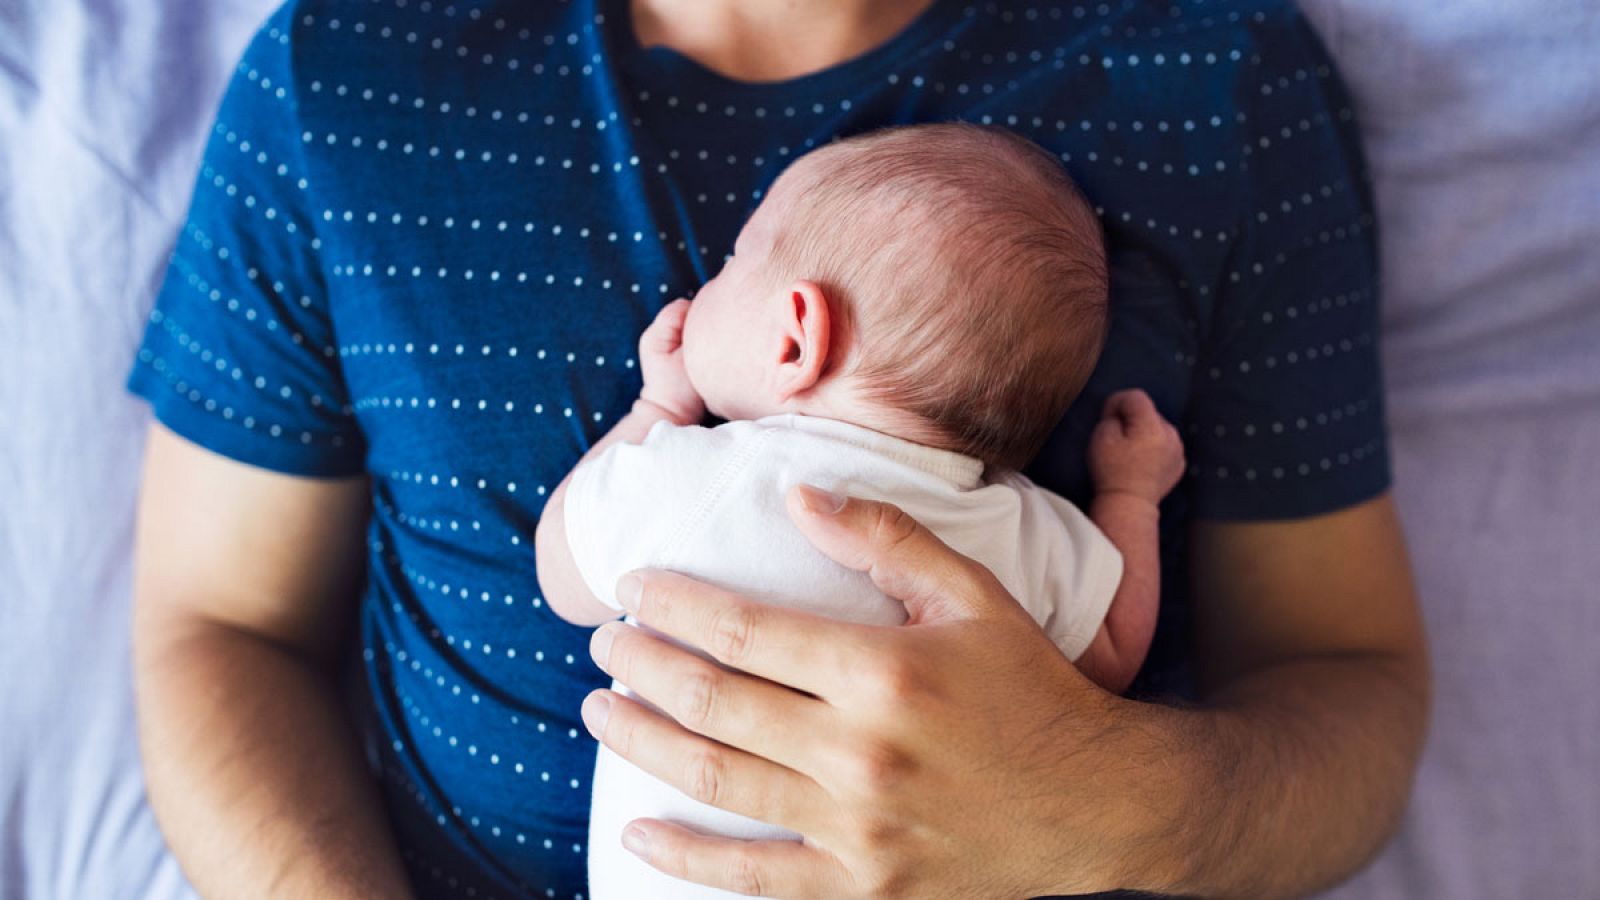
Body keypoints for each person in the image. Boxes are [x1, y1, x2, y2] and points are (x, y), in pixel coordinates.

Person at [127, 0, 1429, 897]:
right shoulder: (347, 69)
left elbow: (1346, 681)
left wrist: (1093, 803)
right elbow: (218, 628)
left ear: (795, 331)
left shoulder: (1212, 69)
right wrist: (1130, 495)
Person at [534, 123, 1186, 897]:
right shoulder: (1020, 528)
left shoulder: (705, 475)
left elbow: (561, 574)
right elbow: (1112, 652)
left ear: (795, 342)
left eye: (734, 264)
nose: (707, 284)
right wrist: (1129, 496)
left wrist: (657, 406)